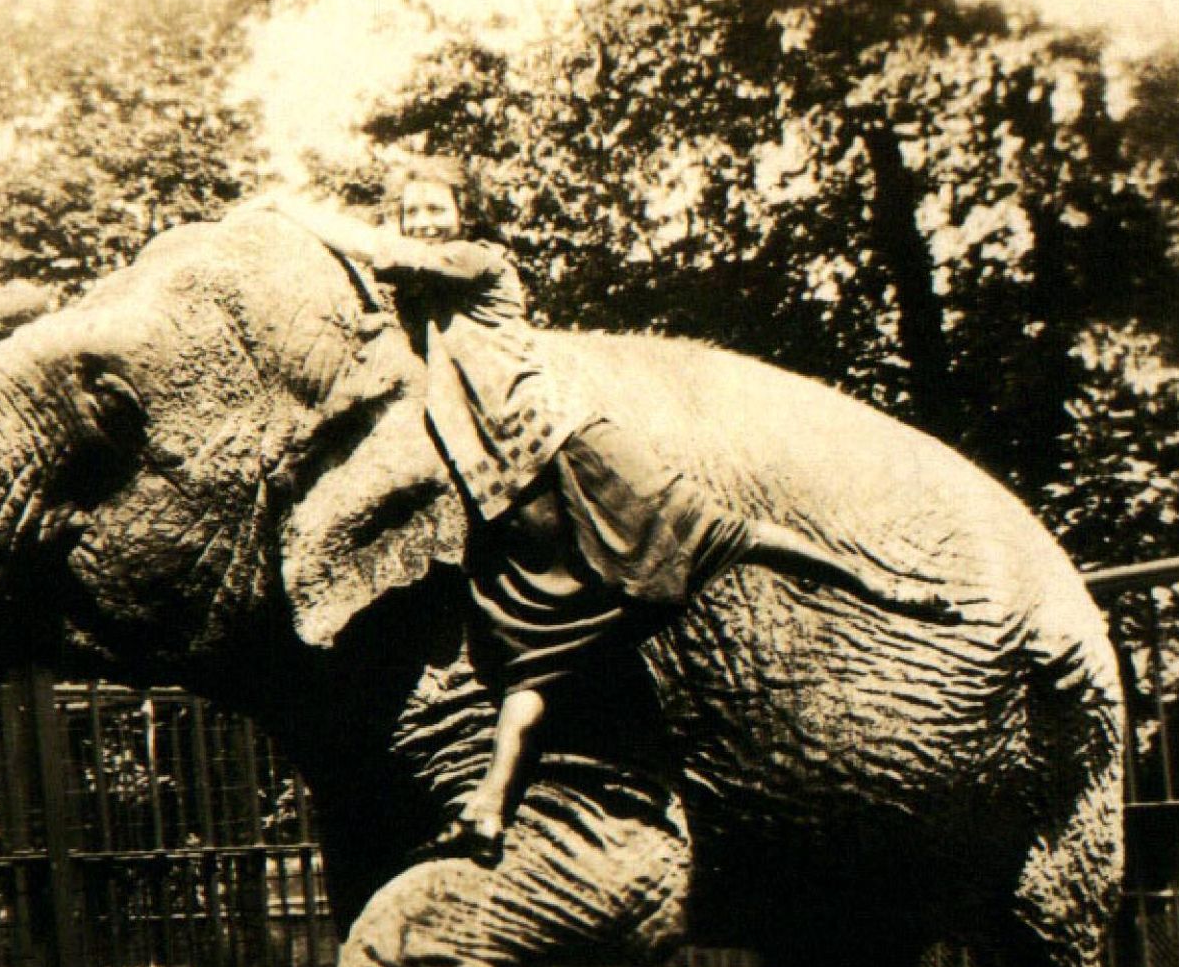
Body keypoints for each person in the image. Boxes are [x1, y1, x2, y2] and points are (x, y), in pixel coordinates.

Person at [244, 157, 959, 863]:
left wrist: (288, 209)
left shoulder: (479, 261)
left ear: (462, 214)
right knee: (532, 657)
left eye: (435, 208)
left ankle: (880, 584)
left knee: (717, 530)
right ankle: (491, 811)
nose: (424, 221)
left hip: (563, 448)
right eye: (412, 211)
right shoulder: (420, 301)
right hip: (509, 491)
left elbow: (382, 251)